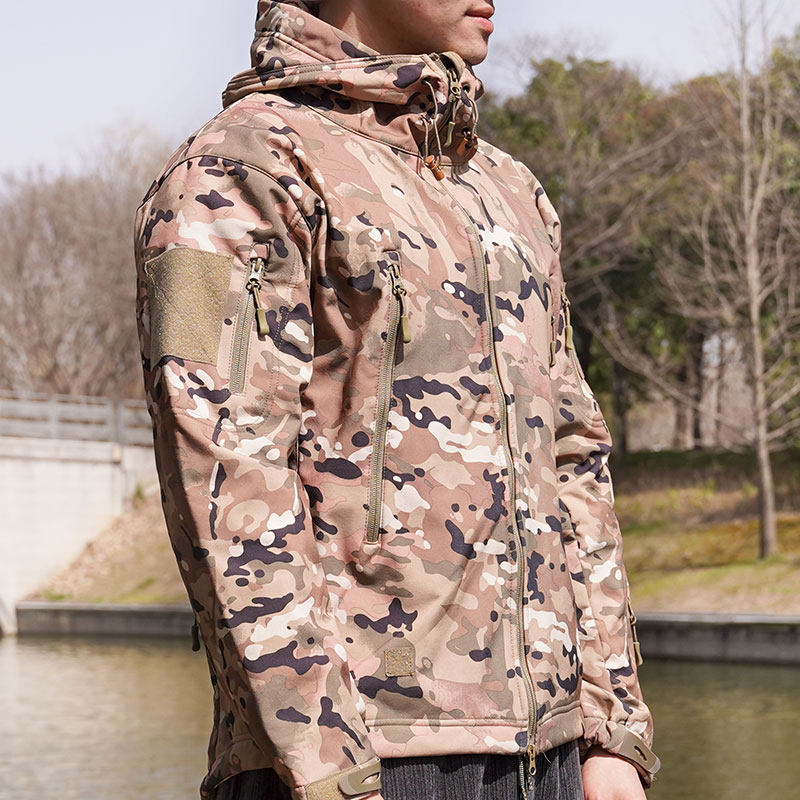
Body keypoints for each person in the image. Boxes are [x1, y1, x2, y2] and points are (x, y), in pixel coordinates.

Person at [133, 2, 661, 799]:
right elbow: (221, 477)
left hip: (553, 754)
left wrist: (610, 728)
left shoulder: (508, 192)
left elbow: (574, 457)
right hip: (363, 760)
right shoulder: (236, 174)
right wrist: (328, 770)